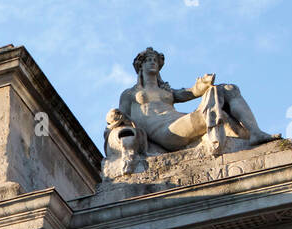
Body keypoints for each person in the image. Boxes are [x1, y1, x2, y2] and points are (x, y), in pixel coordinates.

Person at [117, 47, 277, 154]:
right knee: (210, 110)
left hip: (180, 121)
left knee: (228, 89)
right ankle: (224, 133)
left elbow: (190, 92)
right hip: (167, 132)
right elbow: (120, 122)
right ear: (140, 66)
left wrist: (203, 84)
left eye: (155, 60)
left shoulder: (166, 90)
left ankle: (255, 133)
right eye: (148, 60)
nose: (152, 62)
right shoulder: (130, 94)